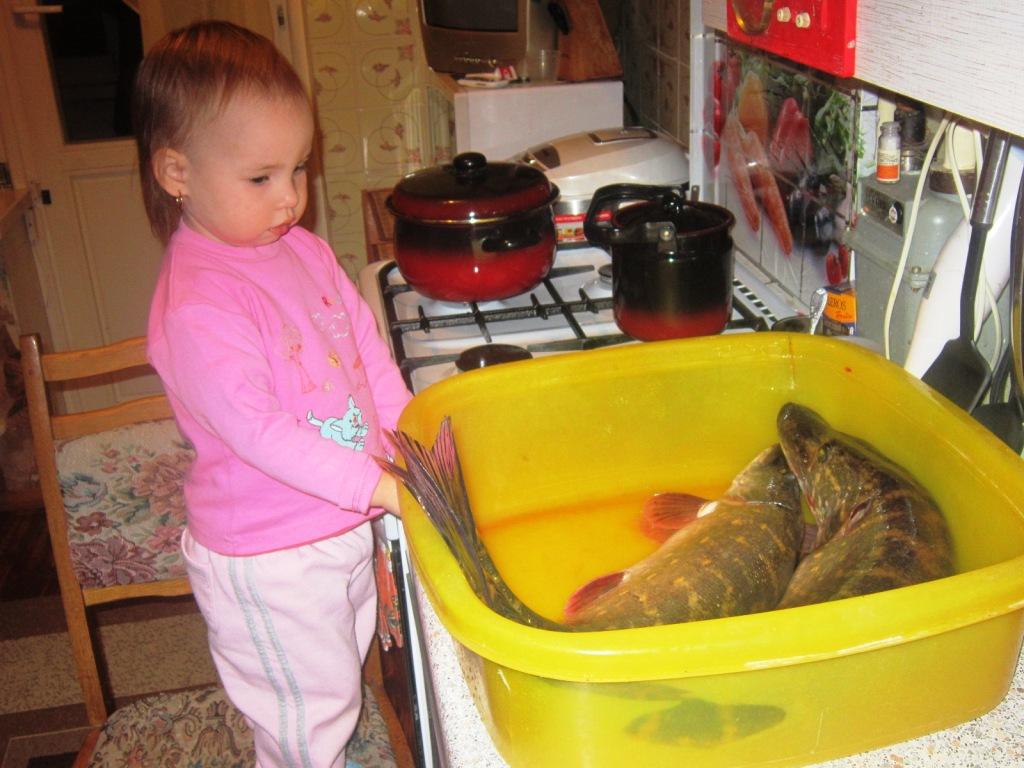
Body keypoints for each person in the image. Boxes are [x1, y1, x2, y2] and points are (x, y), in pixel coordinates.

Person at [132, 20, 411, 768]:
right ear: (177, 172)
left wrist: (407, 446)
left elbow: (367, 356)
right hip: (272, 557)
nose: (290, 198)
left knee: (333, 697)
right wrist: (376, 486)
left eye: (299, 169)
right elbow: (259, 432)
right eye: (261, 178)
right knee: (302, 727)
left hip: (338, 521)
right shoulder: (198, 303)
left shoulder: (303, 250)